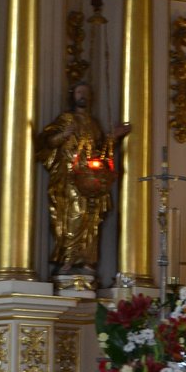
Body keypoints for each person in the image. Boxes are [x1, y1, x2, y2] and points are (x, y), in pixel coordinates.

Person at [36, 82, 130, 274]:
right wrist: (64, 134)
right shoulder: (66, 119)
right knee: (74, 215)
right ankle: (68, 259)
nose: (82, 96)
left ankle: (87, 259)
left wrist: (113, 137)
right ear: (73, 95)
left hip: (89, 177)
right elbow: (48, 142)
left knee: (90, 217)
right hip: (69, 177)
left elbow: (101, 151)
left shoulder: (93, 124)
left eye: (86, 93)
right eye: (79, 92)